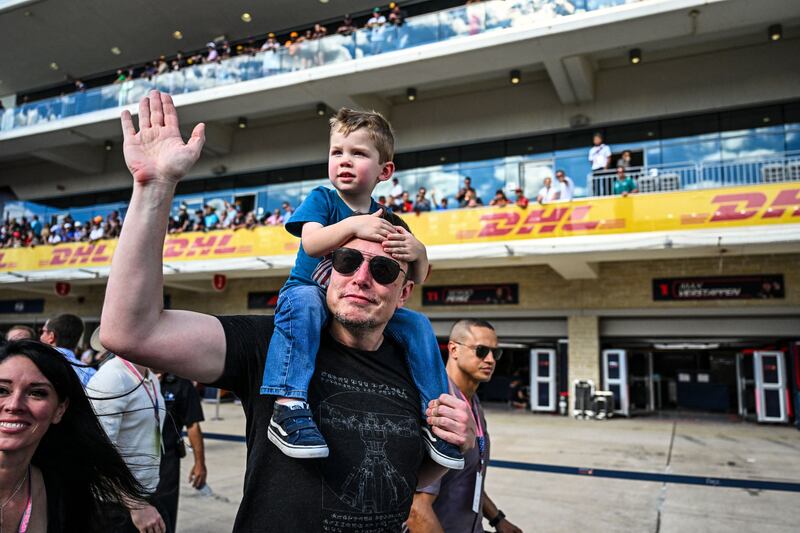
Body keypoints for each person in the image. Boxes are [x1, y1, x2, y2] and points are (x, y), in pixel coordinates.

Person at [101, 90, 473, 531]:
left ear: (404, 288)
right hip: (299, 305)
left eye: (384, 269)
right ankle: (289, 404)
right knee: (304, 306)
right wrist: (154, 187)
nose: (361, 277)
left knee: (420, 332)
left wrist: (451, 448)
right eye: (347, 260)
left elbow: (407, 483)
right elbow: (129, 333)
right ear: (329, 267)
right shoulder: (271, 343)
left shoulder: (412, 358)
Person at [255, 107, 463, 468]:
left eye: (358, 153)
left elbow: (416, 274)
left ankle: (435, 415)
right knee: (304, 304)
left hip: (360, 300)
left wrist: (420, 251)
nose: (344, 161)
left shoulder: (386, 217)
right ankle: (288, 406)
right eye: (337, 152)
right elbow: (312, 244)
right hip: (308, 293)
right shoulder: (322, 199)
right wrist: (356, 227)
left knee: (417, 324)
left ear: (385, 171)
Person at [0, 340, 148, 532]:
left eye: (37, 393)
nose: (14, 405)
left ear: (60, 410)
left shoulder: (64, 490)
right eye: (2, 390)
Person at [408, 320, 523, 533]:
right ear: (453, 350)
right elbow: (417, 510)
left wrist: (497, 519)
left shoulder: (472, 403)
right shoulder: (440, 406)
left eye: (495, 353)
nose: (490, 360)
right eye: (481, 351)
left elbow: (469, 475)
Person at [88, 342, 167, 533]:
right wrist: (135, 504)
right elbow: (96, 452)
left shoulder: (150, 378)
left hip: (143, 495)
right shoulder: (112, 377)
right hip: (116, 505)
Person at [152, 372, 207, 533]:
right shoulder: (133, 378)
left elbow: (193, 425)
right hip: (136, 458)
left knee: (164, 514)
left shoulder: (181, 384)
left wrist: (199, 464)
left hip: (167, 460)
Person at [39, 314, 96, 387]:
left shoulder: (34, 364)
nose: (40, 337)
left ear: (51, 336)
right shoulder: (90, 373)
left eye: (43, 331)